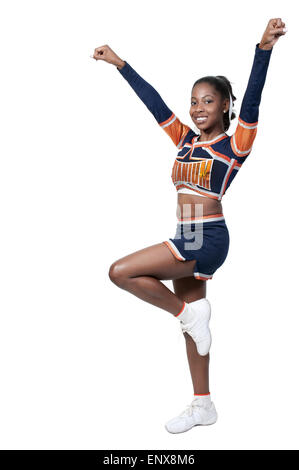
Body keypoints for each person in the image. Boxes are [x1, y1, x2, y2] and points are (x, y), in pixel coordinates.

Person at [92, 18, 287, 433]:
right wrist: (120, 64)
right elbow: (155, 104)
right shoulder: (185, 140)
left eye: (208, 102)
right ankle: (204, 405)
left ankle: (185, 312)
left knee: (120, 272)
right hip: (186, 234)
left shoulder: (234, 144)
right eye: (194, 101)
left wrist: (264, 48)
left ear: (224, 107)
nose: (198, 108)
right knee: (195, 322)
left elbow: (252, 100)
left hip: (207, 236)